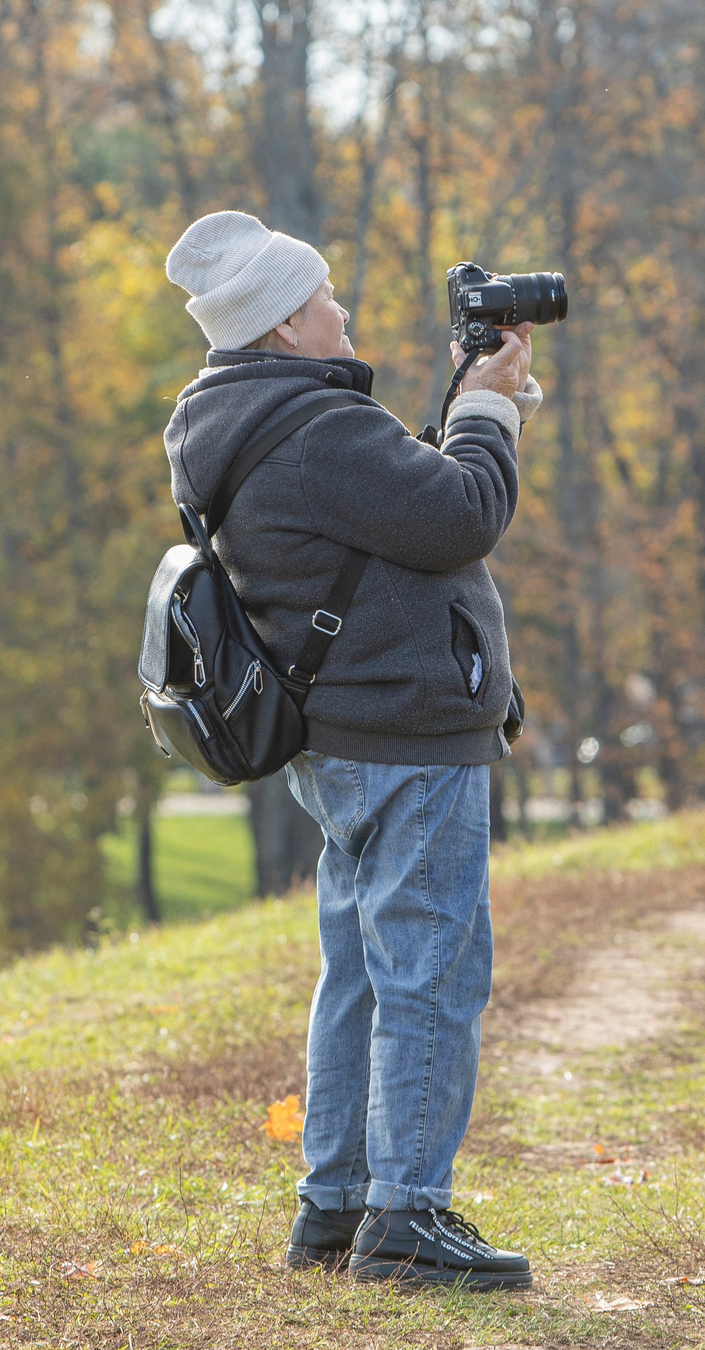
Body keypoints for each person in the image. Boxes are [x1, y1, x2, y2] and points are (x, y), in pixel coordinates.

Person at [161, 210, 540, 1289]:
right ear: (284, 325)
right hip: (404, 730)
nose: (344, 311)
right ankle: (407, 1218)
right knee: (428, 972)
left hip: (346, 734)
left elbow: (396, 509)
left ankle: (336, 1206)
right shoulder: (315, 429)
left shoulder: (241, 416)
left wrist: (472, 403)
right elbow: (459, 514)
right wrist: (485, 411)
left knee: (365, 973)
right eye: (325, 298)